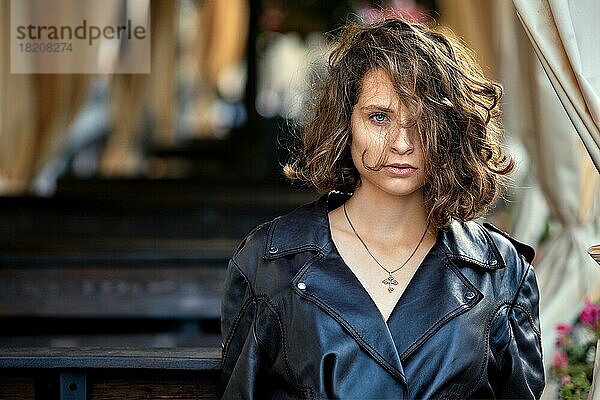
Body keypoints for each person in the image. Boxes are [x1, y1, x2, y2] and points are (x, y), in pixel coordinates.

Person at [220, 14, 545, 400]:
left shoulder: (502, 272)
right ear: (345, 122)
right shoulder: (270, 261)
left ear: (451, 128)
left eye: (423, 120)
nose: (402, 143)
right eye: (379, 117)